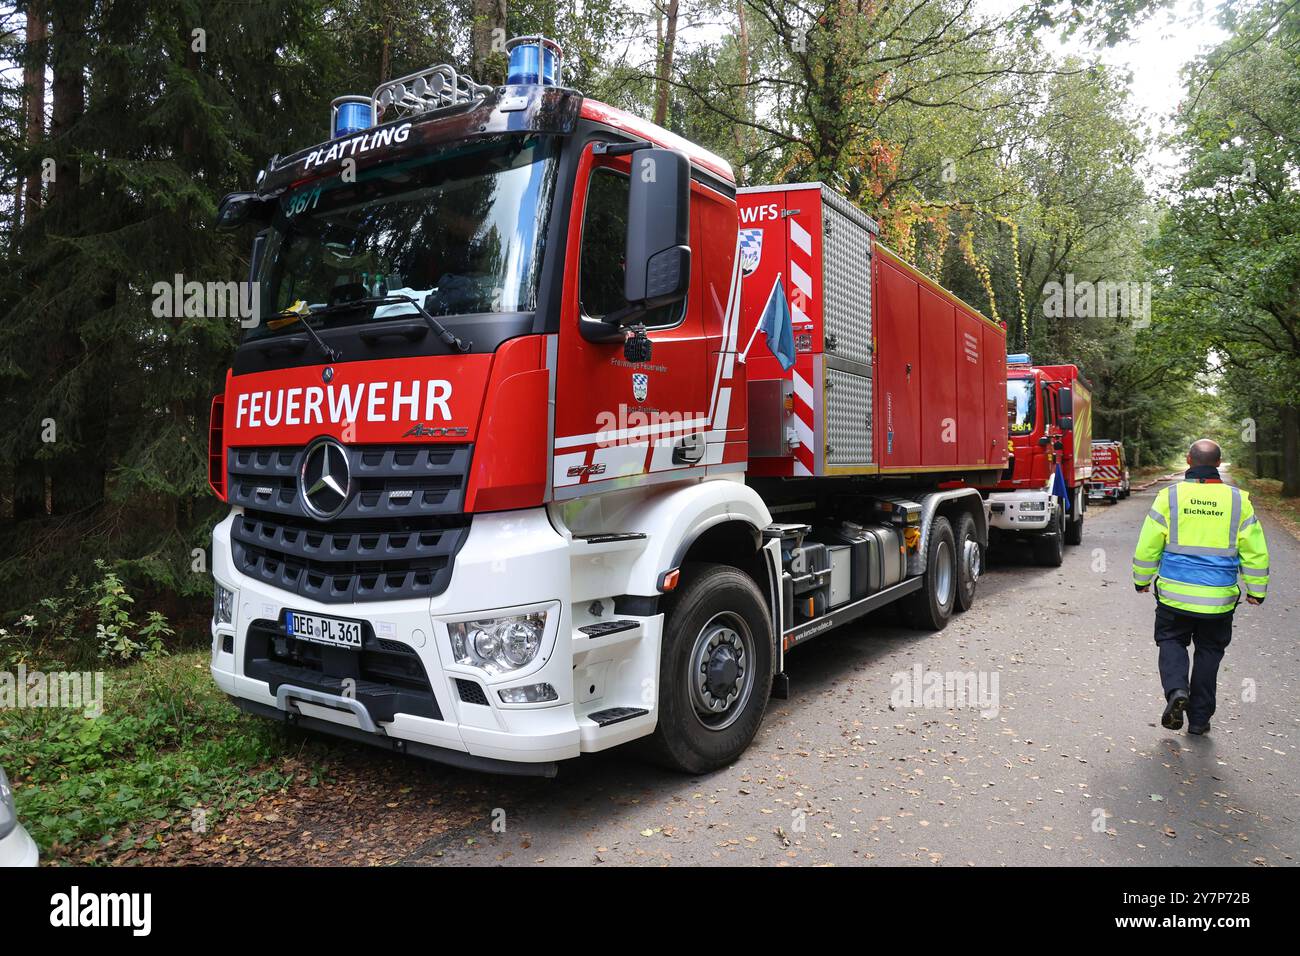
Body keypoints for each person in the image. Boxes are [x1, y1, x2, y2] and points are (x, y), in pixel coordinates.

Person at [1131, 439, 1269, 735]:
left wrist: (1141, 579)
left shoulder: (1169, 497)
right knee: (1209, 652)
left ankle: (1177, 692)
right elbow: (1255, 551)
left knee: (1171, 642)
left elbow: (1148, 545)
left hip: (1174, 596)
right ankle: (1199, 720)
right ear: (1218, 464)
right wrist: (1256, 590)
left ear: (1188, 461)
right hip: (1218, 600)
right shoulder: (1238, 501)